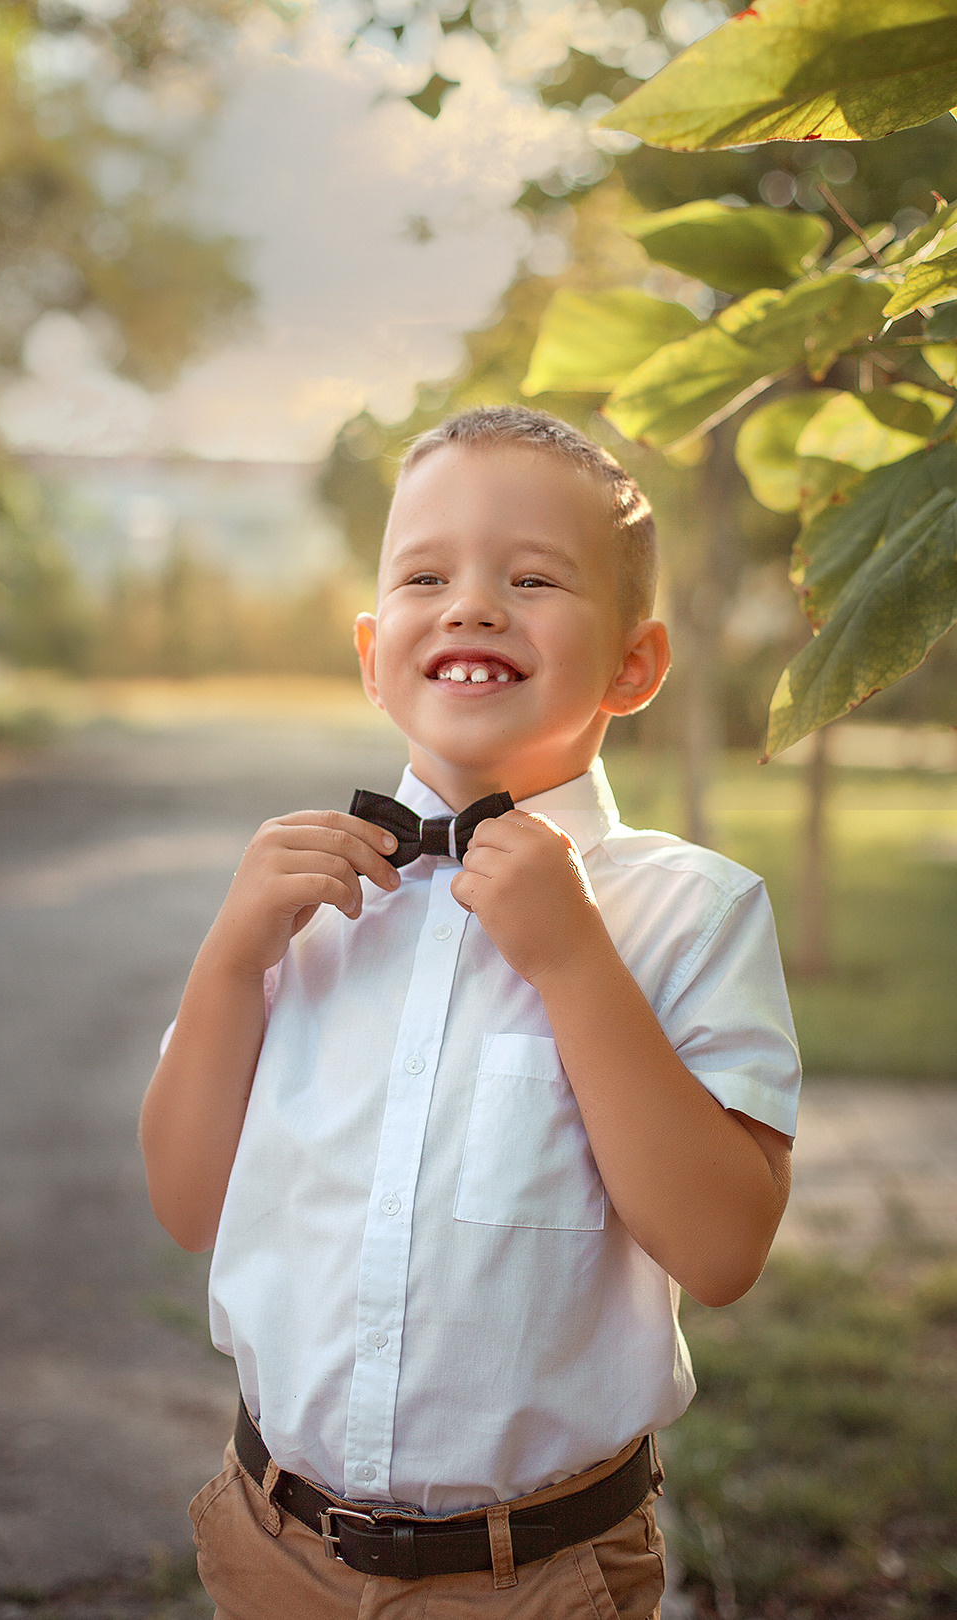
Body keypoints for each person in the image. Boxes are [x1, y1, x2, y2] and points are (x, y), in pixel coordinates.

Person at [139, 405, 799, 1620]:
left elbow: (721, 1250)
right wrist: (229, 966)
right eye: (425, 574)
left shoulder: (687, 915)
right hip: (269, 1543)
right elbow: (185, 1203)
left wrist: (574, 964)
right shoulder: (296, 909)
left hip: (539, 1576)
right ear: (370, 646)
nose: (472, 604)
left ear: (635, 665)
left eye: (532, 577)